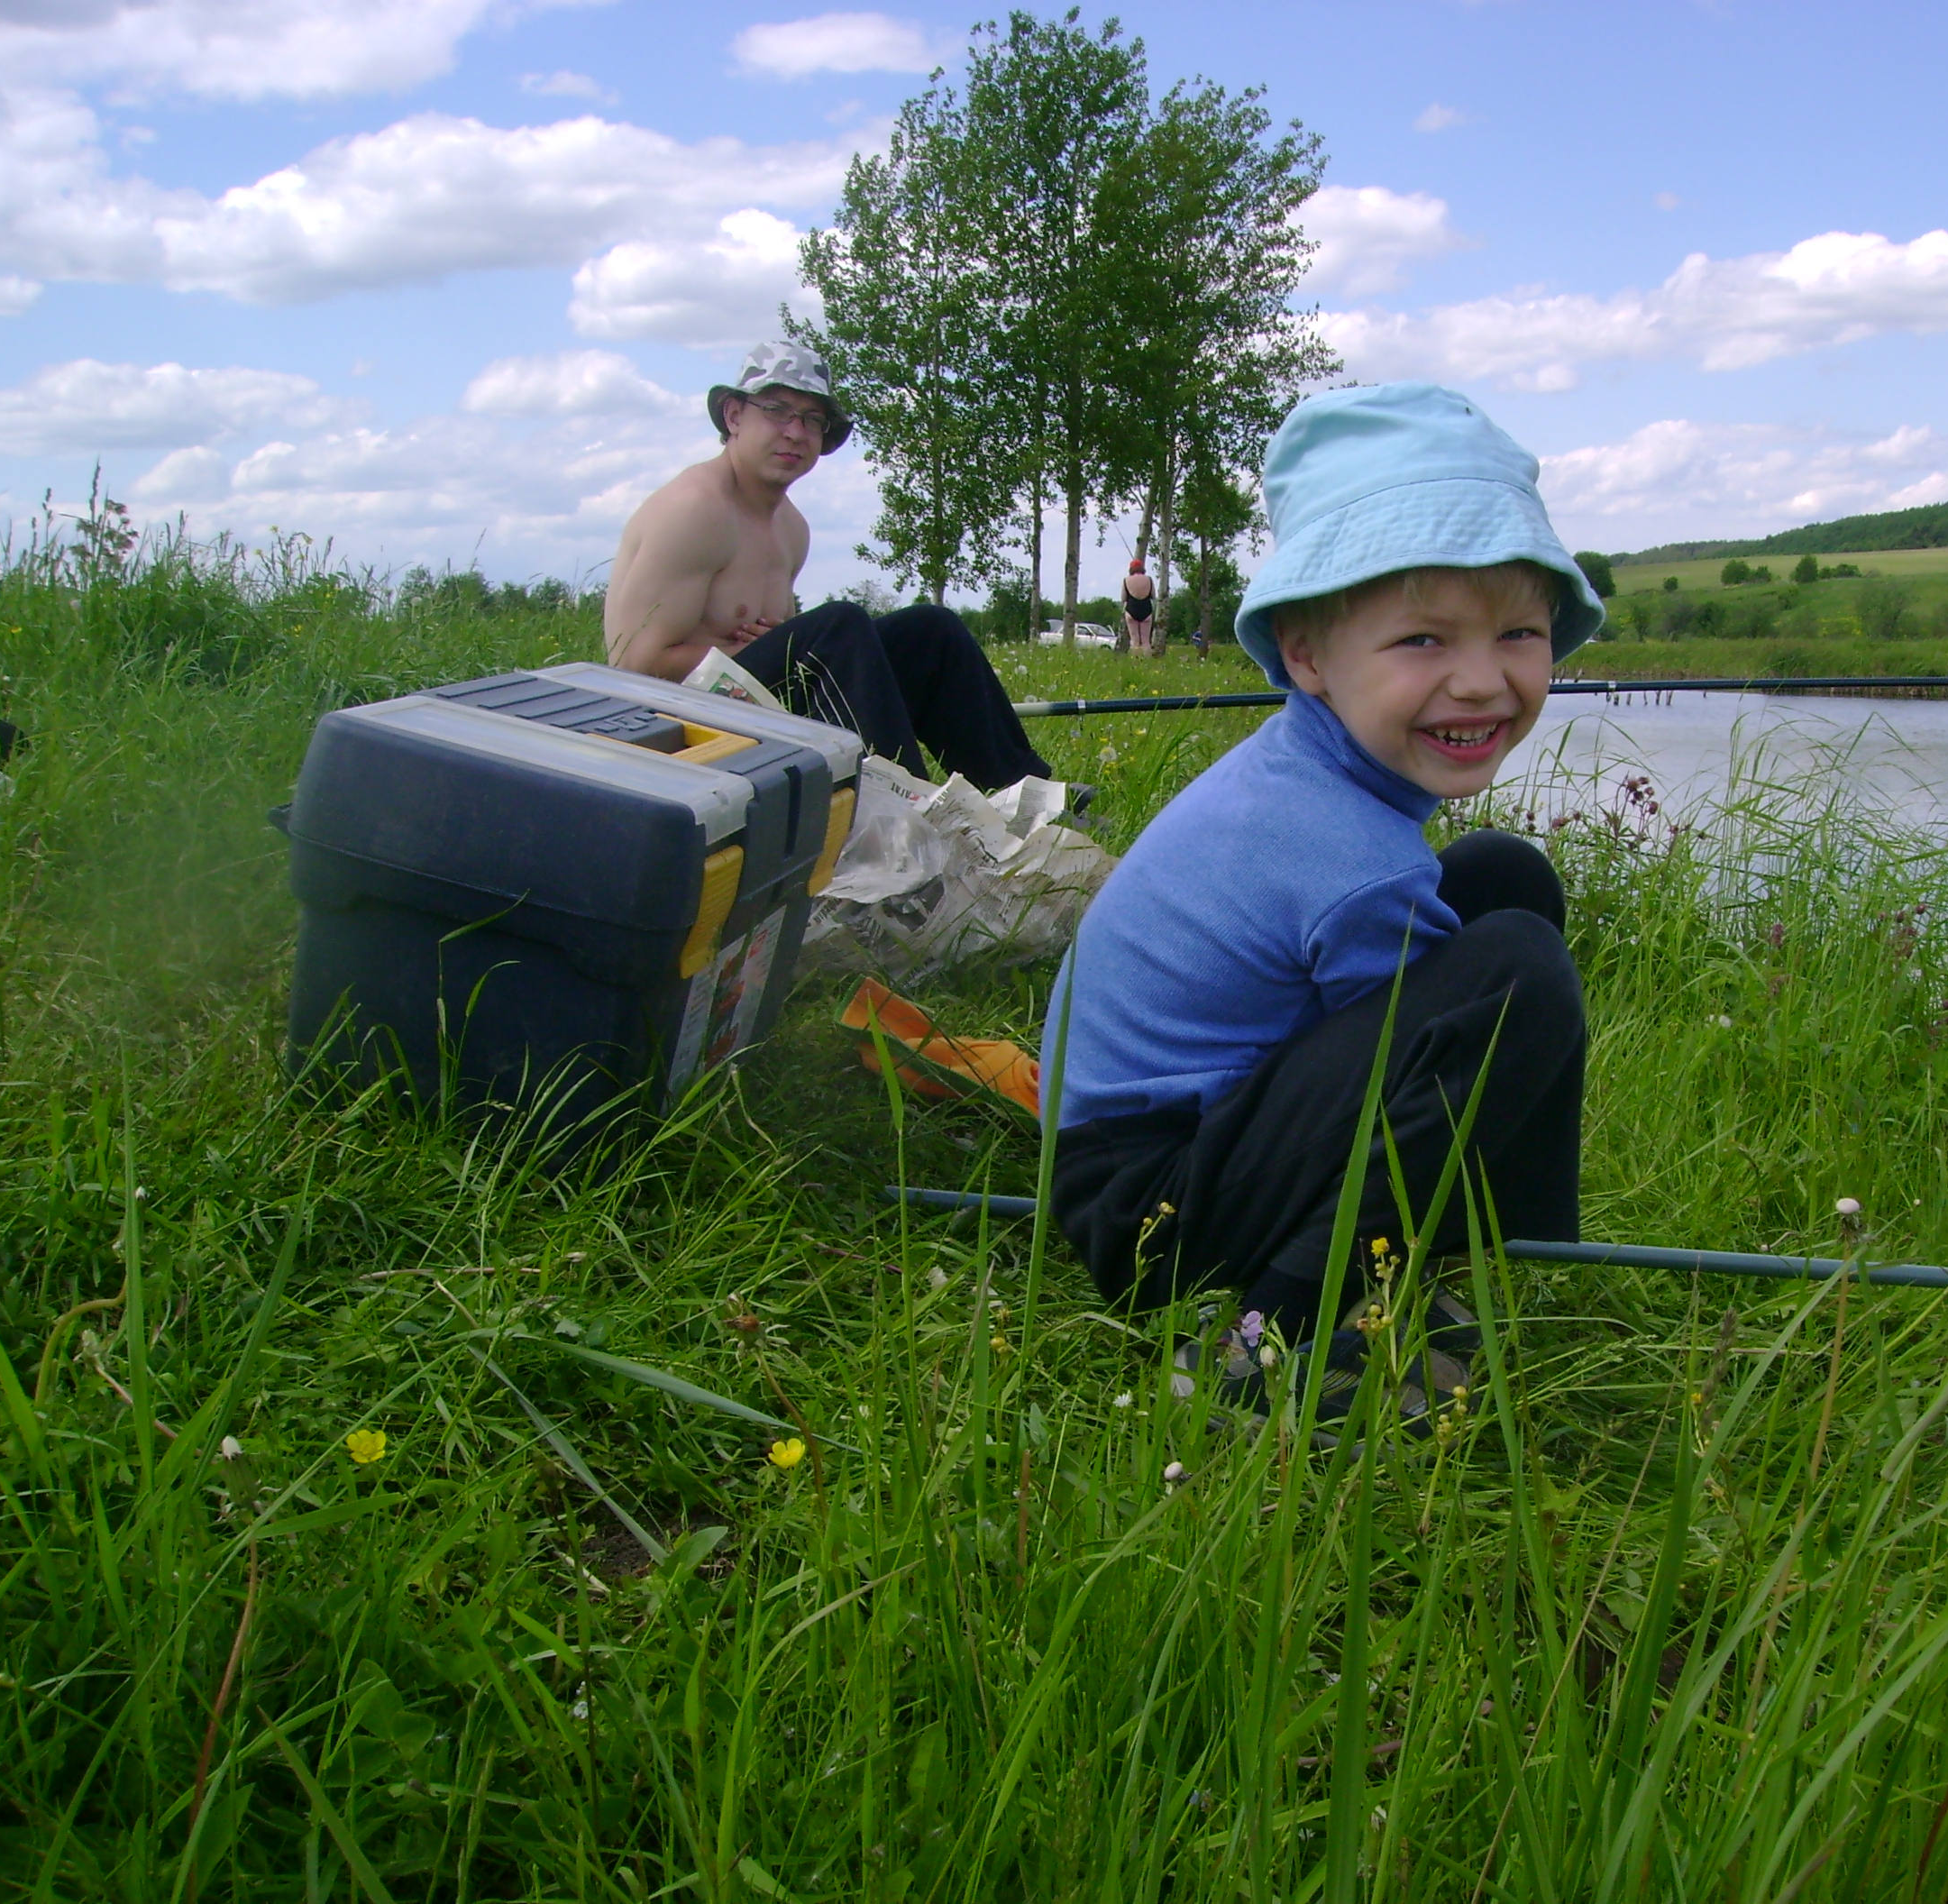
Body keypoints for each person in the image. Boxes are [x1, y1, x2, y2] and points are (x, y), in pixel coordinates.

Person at [1041, 382, 1605, 1433]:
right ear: (1305, 655)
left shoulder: (1308, 776)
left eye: (1518, 633)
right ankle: (1268, 1340)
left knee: (1499, 879)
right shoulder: (1346, 855)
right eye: (1423, 641)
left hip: (1157, 1155)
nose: (1480, 681)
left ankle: (1444, 1256)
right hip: (1146, 1212)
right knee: (1517, 978)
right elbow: (1415, 1084)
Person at [603, 340, 1051, 792]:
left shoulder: (791, 527)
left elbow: (792, 661)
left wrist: (782, 648)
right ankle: (910, 807)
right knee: (839, 626)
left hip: (757, 717)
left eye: (812, 420)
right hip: (680, 734)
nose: (795, 433)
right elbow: (635, 665)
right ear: (734, 416)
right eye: (776, 411)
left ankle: (1029, 795)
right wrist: (767, 651)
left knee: (930, 631)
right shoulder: (695, 508)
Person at [1120, 557, 1159, 657]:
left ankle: (1135, 661)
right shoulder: (1149, 580)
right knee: (1146, 641)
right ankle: (1147, 660)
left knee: (1135, 640)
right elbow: (1153, 596)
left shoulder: (1126, 580)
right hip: (1146, 610)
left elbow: (1123, 598)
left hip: (1131, 610)